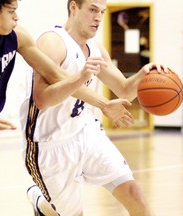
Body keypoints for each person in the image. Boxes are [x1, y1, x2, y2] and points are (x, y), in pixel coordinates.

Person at [0, 0, 110, 216]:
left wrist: (104, 104)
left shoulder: (17, 37)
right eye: (11, 12)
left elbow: (56, 75)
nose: (17, 17)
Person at [20, 0, 168, 215]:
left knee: (133, 192)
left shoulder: (95, 48)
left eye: (102, 12)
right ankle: (40, 203)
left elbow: (125, 90)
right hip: (50, 144)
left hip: (86, 132)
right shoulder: (52, 42)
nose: (98, 18)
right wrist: (81, 77)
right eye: (92, 10)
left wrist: (143, 75)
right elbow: (41, 99)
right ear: (73, 7)